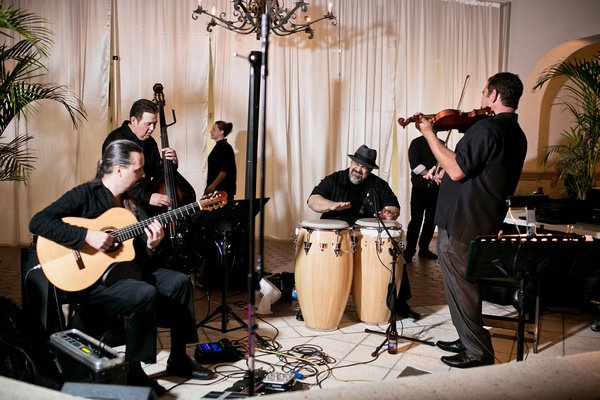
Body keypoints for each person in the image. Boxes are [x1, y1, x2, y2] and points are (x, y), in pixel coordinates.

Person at [29, 139, 214, 396]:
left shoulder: (132, 202)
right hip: (92, 280)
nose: (144, 174)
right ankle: (134, 371)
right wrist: (86, 236)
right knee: (143, 294)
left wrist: (152, 245)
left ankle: (179, 358)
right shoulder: (86, 194)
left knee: (179, 282)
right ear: (118, 169)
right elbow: (38, 222)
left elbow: (139, 258)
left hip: (128, 272)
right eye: (138, 169)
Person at [413, 72, 527, 368]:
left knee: (461, 286)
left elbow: (458, 170)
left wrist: (429, 133)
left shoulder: (486, 128)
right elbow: (481, 174)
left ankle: (478, 351)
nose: (481, 97)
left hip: (462, 221)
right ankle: (466, 338)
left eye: (484, 91)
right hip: (485, 219)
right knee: (466, 284)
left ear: (494, 96)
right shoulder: (517, 133)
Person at [307, 144, 420, 320]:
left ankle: (399, 302)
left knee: (395, 253)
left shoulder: (378, 185)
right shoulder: (335, 179)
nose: (358, 169)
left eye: (364, 167)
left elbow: (393, 206)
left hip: (367, 237)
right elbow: (313, 200)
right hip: (337, 235)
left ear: (369, 170)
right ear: (351, 162)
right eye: (356, 164)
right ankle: (316, 302)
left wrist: (389, 213)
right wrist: (332, 205)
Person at [102, 99, 179, 209]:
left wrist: (172, 162)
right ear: (133, 121)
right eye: (148, 124)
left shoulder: (150, 142)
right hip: (122, 202)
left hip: (145, 197)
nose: (152, 129)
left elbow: (157, 172)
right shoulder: (116, 141)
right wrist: (148, 197)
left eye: (155, 123)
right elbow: (115, 181)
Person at [404, 135, 445, 262]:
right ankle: (409, 251)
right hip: (419, 188)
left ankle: (424, 249)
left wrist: (441, 173)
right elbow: (415, 165)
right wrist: (430, 175)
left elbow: (445, 162)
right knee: (416, 220)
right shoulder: (416, 143)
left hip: (436, 188)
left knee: (431, 220)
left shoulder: (441, 143)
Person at [204, 120, 237, 200]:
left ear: (221, 132)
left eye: (214, 129)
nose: (211, 131)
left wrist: (212, 186)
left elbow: (225, 170)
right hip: (215, 190)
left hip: (221, 191)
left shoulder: (225, 147)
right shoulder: (219, 147)